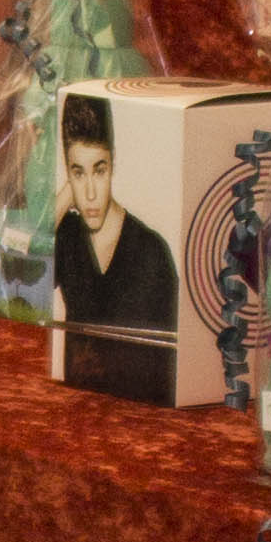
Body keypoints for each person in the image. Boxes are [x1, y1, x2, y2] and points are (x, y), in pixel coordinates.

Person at [48, 92, 178, 406]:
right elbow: (18, 281)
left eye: (100, 170)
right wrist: (63, 200)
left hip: (142, 418)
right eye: (78, 173)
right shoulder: (67, 239)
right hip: (78, 412)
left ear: (113, 164)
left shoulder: (152, 252)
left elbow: (170, 373)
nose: (91, 193)